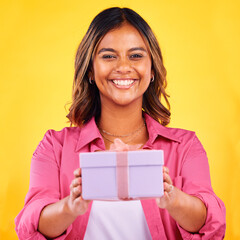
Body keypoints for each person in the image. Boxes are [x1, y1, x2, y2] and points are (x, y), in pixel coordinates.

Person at [15, 7, 226, 239]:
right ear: (90, 72)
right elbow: (29, 226)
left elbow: (211, 225)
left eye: (136, 55)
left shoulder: (185, 146)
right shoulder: (54, 147)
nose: (123, 67)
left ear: (152, 69)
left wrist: (173, 197)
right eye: (108, 56)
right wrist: (70, 206)